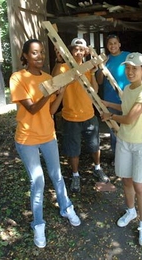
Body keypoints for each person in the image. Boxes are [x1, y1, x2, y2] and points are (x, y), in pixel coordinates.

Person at [9, 39, 81, 249]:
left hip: (48, 135)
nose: (39, 56)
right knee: (37, 180)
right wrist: (49, 92)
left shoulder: (50, 78)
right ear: (25, 56)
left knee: (57, 175)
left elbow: (50, 111)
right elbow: (32, 109)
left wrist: (61, 93)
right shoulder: (17, 78)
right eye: (34, 53)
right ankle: (38, 224)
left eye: (41, 53)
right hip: (27, 138)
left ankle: (66, 207)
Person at [101, 52, 142, 247]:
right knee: (126, 181)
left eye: (135, 68)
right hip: (124, 141)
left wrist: (110, 116)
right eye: (128, 68)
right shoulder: (128, 89)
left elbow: (130, 118)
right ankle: (131, 211)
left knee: (140, 186)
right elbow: (125, 108)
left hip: (141, 144)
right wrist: (109, 105)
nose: (131, 71)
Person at [52, 38, 110, 193]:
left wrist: (93, 70)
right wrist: (58, 60)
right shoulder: (64, 67)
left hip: (89, 115)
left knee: (94, 145)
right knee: (73, 150)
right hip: (70, 117)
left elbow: (95, 90)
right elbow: (54, 83)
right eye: (75, 49)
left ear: (86, 52)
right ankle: (75, 175)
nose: (78, 52)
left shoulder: (88, 67)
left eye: (81, 49)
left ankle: (97, 168)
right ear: (70, 51)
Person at [96, 34, 130, 165]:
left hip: (127, 98)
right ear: (107, 46)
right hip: (110, 100)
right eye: (110, 43)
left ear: (119, 44)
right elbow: (99, 81)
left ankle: (128, 156)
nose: (113, 46)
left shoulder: (128, 56)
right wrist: (101, 67)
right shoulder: (106, 59)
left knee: (128, 127)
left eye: (115, 43)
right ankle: (117, 157)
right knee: (114, 130)